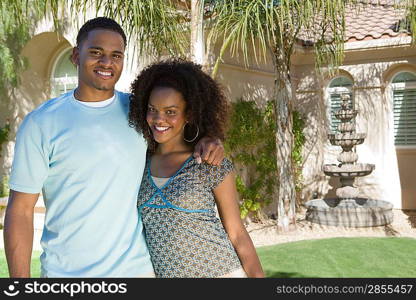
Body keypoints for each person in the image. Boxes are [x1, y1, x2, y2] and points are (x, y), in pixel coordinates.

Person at [4, 17, 224, 278]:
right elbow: (20, 210)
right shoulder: (41, 123)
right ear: (76, 56)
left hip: (136, 272)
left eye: (116, 55)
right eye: (96, 52)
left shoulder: (141, 112)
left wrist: (210, 138)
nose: (107, 62)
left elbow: (181, 131)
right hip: (67, 277)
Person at [128, 59, 265, 278]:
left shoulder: (209, 162)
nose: (159, 119)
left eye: (170, 111)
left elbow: (237, 233)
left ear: (189, 114)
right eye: (152, 109)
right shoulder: (139, 163)